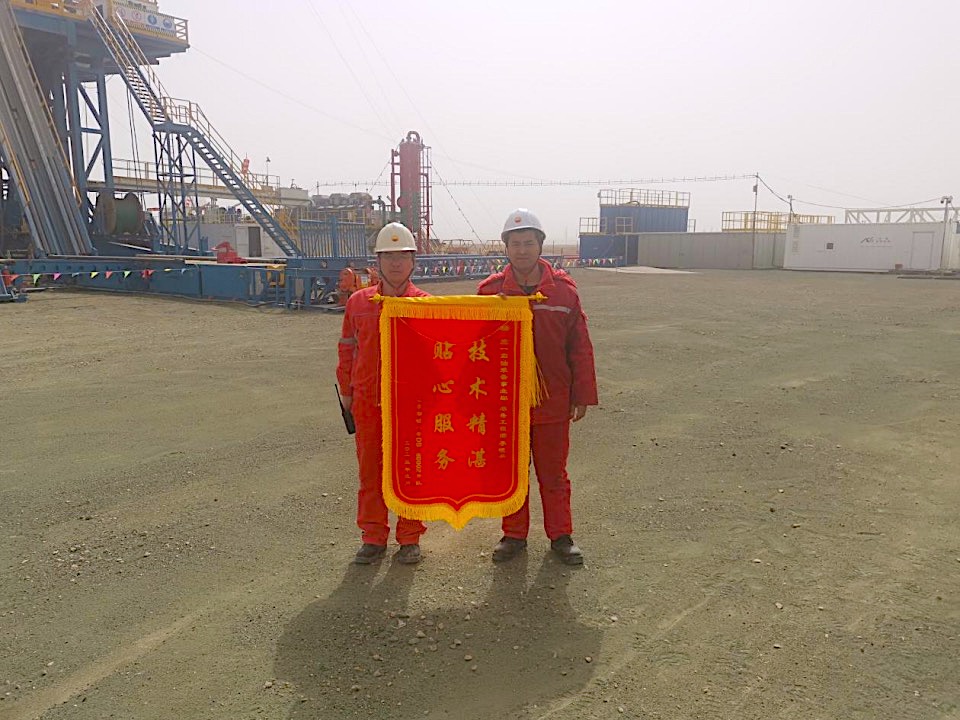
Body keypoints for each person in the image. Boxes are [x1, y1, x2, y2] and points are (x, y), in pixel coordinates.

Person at [478, 209, 598, 566]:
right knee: (512, 473)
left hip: (553, 400)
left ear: (540, 245)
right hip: (506, 403)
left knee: (553, 473)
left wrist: (582, 395)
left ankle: (561, 535)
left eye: (528, 243)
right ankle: (514, 535)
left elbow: (579, 346)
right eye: (515, 243)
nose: (522, 250)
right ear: (506, 248)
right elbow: (473, 348)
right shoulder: (490, 293)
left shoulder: (563, 292)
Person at [337, 222, 429, 565]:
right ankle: (373, 536)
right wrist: (347, 391)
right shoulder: (358, 303)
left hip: (411, 405)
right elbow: (347, 348)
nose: (396, 263)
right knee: (370, 472)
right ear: (377, 261)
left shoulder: (427, 305)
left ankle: (410, 537)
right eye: (389, 257)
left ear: (413, 261)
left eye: (402, 256)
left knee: (410, 471)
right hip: (368, 401)